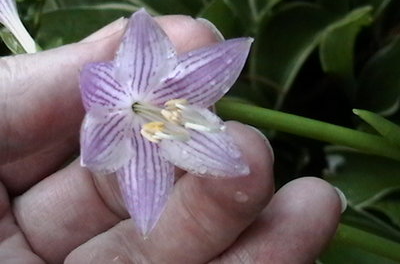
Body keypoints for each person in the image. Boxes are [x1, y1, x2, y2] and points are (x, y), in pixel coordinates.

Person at [0, 15, 343, 263]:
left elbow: (124, 51)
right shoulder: (104, 124)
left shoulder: (135, 69)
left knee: (236, 160)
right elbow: (94, 128)